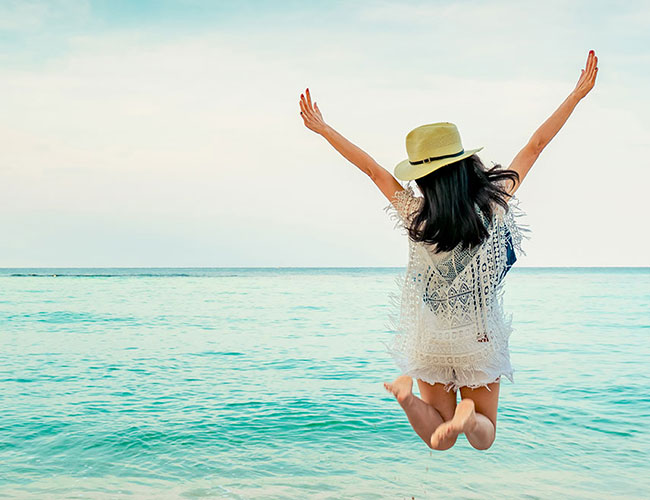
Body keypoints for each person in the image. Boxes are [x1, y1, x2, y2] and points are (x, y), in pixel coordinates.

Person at [299, 50, 598, 451]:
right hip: (478, 338)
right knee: (483, 436)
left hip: (431, 338)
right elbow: (536, 145)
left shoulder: (414, 214)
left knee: (437, 441)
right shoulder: (492, 205)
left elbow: (372, 169)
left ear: (422, 177)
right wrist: (576, 95)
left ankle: (406, 398)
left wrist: (324, 128)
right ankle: (468, 417)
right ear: (462, 164)